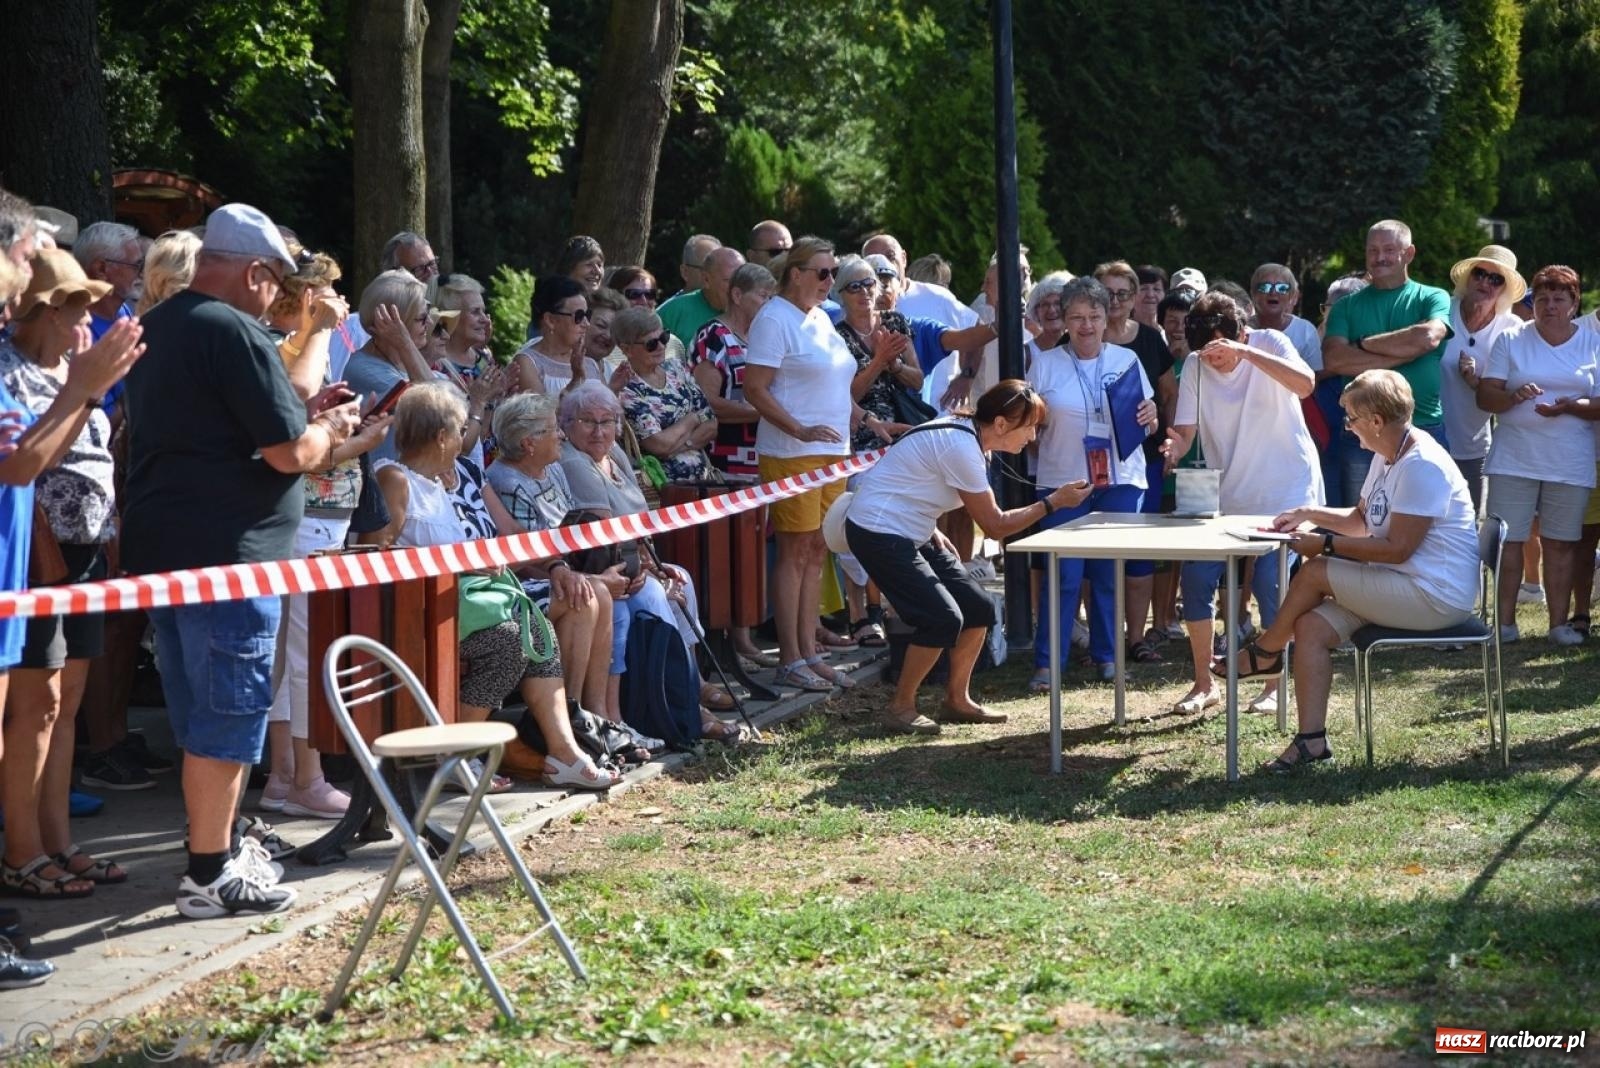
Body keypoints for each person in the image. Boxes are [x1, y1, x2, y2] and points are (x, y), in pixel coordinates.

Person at [121, 204, 361, 918]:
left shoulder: (159, 325)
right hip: (233, 553)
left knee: (198, 709)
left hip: (167, 543)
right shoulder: (233, 331)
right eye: (276, 283)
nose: (279, 298)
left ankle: (213, 850)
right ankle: (210, 869)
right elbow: (289, 451)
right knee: (230, 709)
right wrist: (328, 428)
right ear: (255, 272)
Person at [0, 243, 141, 985]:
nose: (87, 314)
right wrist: (85, 390)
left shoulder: (67, 369)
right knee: (34, 705)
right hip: (33, 558)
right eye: (76, 304)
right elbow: (30, 459)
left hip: (84, 553)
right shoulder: (19, 371)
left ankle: (53, 842)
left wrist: (89, 387)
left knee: (65, 703)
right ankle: (21, 851)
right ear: (42, 310)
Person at [363, 384, 620, 790]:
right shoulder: (395, 479)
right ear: (441, 436)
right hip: (421, 609)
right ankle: (451, 756)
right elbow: (378, 556)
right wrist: (467, 563)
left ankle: (564, 751)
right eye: (461, 428)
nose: (469, 436)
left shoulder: (443, 481)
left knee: (534, 630)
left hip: (463, 602)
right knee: (511, 641)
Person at [1220, 370, 1478, 773]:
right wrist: (1308, 515)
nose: (1348, 426)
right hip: (1400, 586)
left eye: (1351, 418)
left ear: (1376, 420)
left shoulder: (1422, 464)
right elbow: (1362, 519)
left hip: (1435, 597)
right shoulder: (1388, 453)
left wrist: (1323, 542)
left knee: (1317, 570)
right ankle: (1311, 743)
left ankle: (1266, 651)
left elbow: (1397, 549)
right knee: (1310, 628)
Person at [846, 381, 1091, 734]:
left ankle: (956, 701)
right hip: (878, 531)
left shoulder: (972, 438)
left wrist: (930, 526)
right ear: (1002, 424)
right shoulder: (962, 445)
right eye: (1030, 427)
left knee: (979, 609)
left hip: (911, 528)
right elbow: (995, 526)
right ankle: (900, 707)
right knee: (942, 618)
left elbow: (912, 480)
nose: (1033, 436)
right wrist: (1053, 502)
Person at [257, 250, 391, 819]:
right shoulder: (284, 345)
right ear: (306, 296)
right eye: (330, 292)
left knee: (298, 650)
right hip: (303, 515)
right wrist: (352, 442)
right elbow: (288, 446)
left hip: (322, 515)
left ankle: (290, 778)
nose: (340, 304)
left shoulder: (299, 343)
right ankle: (299, 777)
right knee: (302, 651)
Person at [744, 237, 899, 693]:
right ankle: (790, 658)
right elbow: (755, 388)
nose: (831, 282)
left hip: (834, 452)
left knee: (817, 552)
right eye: (823, 272)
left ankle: (809, 651)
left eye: (833, 273)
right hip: (793, 453)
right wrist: (798, 429)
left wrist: (870, 416)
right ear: (795, 273)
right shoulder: (774, 319)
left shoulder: (819, 320)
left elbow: (839, 388)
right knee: (796, 554)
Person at [1159, 292, 1321, 716]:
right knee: (1195, 579)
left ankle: (1272, 685)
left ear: (1241, 332)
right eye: (1205, 353)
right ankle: (1202, 683)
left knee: (1272, 585)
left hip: (1288, 488)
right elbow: (1185, 431)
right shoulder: (1195, 364)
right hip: (1228, 494)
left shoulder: (1269, 342)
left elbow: (1305, 384)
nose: (1214, 360)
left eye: (1219, 350)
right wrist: (1173, 448)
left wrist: (1245, 353)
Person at [558, 381, 743, 738]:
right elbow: (604, 536)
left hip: (634, 558)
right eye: (587, 421)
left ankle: (692, 682)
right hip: (602, 566)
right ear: (566, 424)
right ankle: (682, 699)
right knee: (656, 594)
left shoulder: (614, 454)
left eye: (607, 421)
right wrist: (648, 571)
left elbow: (640, 517)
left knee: (681, 578)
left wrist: (657, 566)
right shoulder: (575, 463)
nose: (599, 431)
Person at [1026, 276, 1159, 688]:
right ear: (1064, 320)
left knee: (1107, 572)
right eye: (1077, 317)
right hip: (1062, 480)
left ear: (1107, 319)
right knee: (1063, 575)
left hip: (1120, 479)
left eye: (1094, 316)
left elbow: (1147, 419)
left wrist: (1151, 416)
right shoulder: (1045, 363)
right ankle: (1049, 663)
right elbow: (1028, 424)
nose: (1086, 325)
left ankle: (1107, 656)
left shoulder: (1126, 360)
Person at [1477, 265, 1600, 646]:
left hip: (1571, 458)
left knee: (1561, 543)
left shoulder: (1593, 341)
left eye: (1558, 299)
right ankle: (1506, 625)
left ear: (1574, 303)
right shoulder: (1512, 338)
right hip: (1514, 456)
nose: (1548, 306)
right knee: (1509, 541)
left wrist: (1572, 405)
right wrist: (1512, 398)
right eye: (1541, 299)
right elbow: (1485, 395)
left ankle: (1559, 625)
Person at [486, 392, 615, 719]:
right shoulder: (507, 482)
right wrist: (592, 578)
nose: (561, 434)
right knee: (589, 595)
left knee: (638, 594)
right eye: (552, 428)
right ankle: (576, 717)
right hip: (533, 580)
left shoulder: (553, 469)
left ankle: (601, 716)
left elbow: (568, 534)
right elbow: (525, 560)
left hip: (566, 570)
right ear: (529, 443)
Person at [1322, 219, 1451, 505]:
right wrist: (1406, 350)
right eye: (1373, 250)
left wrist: (1364, 343)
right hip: (1361, 433)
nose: (1380, 257)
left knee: (1426, 525)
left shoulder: (1432, 296)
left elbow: (1428, 337)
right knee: (1361, 528)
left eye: (1389, 249)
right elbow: (1334, 359)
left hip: (1424, 427)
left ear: (1409, 253)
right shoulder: (1346, 306)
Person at [1096, 260, 1178, 663]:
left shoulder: (1149, 339)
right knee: (1098, 552)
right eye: (1107, 293)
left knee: (1140, 551)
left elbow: (1169, 392)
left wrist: (1169, 437)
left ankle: (1136, 638)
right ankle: (1101, 639)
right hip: (1093, 463)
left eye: (1122, 293)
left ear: (1134, 298)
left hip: (1143, 460)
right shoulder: (1079, 338)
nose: (1114, 301)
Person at [1441, 246, 1526, 515]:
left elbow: (1513, 394)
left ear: (1505, 290)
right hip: (1428, 436)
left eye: (1496, 279)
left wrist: (1478, 383)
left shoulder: (1512, 329)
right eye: (1480, 273)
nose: (1485, 282)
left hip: (1473, 447)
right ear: (1469, 277)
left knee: (1467, 528)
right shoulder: (1443, 309)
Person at [340, 268, 441, 462]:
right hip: (387, 483)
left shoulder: (401, 360)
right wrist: (405, 343)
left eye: (428, 312)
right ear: (392, 325)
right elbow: (440, 407)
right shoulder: (364, 370)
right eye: (421, 318)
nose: (429, 323)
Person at [614, 306, 718, 482]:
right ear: (627, 349)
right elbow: (658, 445)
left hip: (704, 480)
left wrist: (681, 444)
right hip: (663, 488)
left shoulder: (676, 368)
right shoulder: (626, 388)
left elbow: (712, 423)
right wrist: (692, 419)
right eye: (651, 343)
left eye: (664, 338)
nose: (661, 346)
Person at [689, 262, 771, 479]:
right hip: (728, 464)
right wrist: (772, 413)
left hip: (767, 457)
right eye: (763, 296)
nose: (769, 305)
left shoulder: (764, 336)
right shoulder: (714, 337)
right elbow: (706, 403)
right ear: (737, 295)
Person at [328, 230, 441, 378]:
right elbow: (338, 383)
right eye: (419, 269)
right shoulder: (354, 330)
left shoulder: (434, 322)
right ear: (393, 274)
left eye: (432, 264)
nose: (431, 274)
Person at [514, 277, 604, 397]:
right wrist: (575, 381)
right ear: (550, 320)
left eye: (587, 315)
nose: (586, 324)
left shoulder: (590, 364)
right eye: (579, 316)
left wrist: (614, 389)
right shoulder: (527, 363)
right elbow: (541, 413)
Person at [660, 246, 743, 347]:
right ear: (706, 279)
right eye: (728, 281)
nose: (738, 288)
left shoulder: (754, 313)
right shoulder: (673, 312)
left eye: (743, 280)